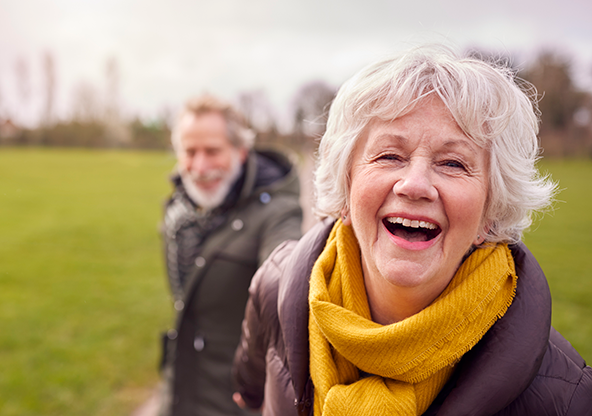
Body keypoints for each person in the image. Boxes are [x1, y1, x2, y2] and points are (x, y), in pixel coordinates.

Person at [232, 45, 592, 415]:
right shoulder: (275, 285)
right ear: (346, 185)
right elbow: (249, 385)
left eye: (453, 163)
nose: (415, 185)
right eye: (390, 156)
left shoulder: (569, 399)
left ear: (491, 210)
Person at [159, 94, 303, 416]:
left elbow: (285, 274)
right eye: (189, 152)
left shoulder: (278, 213)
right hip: (178, 393)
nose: (199, 166)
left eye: (212, 151)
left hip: (234, 402)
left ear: (240, 151)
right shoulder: (177, 211)